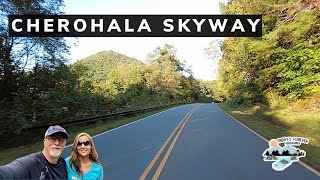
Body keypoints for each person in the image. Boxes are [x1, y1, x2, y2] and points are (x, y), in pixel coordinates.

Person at [0, 125, 69, 179]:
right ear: (44, 142)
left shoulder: (63, 163)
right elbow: (9, 172)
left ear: (65, 143)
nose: (57, 143)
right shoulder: (30, 164)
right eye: (52, 138)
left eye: (61, 140)